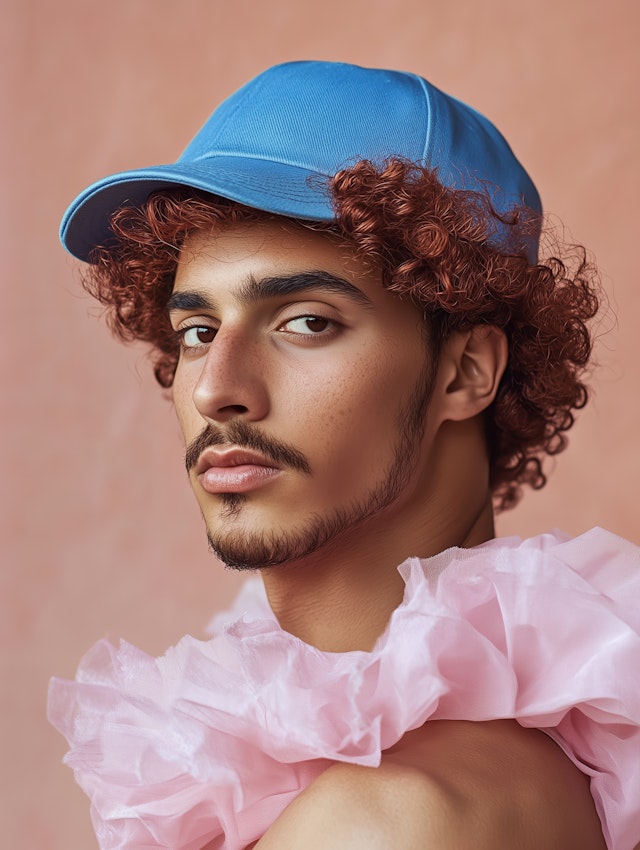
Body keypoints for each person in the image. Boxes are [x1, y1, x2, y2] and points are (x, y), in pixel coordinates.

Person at [48, 61, 640, 850]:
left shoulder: (393, 818)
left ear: (467, 371)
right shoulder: (465, 772)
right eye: (197, 331)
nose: (216, 391)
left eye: (307, 322)